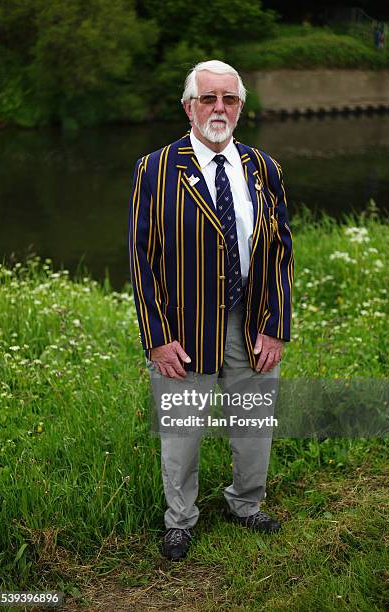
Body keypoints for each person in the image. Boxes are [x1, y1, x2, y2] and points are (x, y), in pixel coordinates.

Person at [128, 60, 294, 561]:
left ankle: (247, 504)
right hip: (184, 326)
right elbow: (142, 259)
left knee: (253, 422)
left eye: (229, 99)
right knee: (180, 432)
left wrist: (276, 327)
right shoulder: (156, 168)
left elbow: (281, 250)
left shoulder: (264, 168)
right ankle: (180, 521)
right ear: (189, 106)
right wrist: (156, 337)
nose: (218, 108)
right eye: (208, 98)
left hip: (251, 322)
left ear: (241, 106)